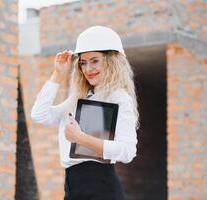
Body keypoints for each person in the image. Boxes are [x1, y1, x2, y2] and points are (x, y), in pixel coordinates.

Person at [31, 25, 139, 200]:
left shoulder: (117, 97)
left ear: (111, 60)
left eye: (95, 60)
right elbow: (39, 115)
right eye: (83, 62)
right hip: (72, 186)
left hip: (101, 188)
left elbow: (127, 151)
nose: (88, 69)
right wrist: (57, 75)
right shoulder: (78, 99)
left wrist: (80, 138)